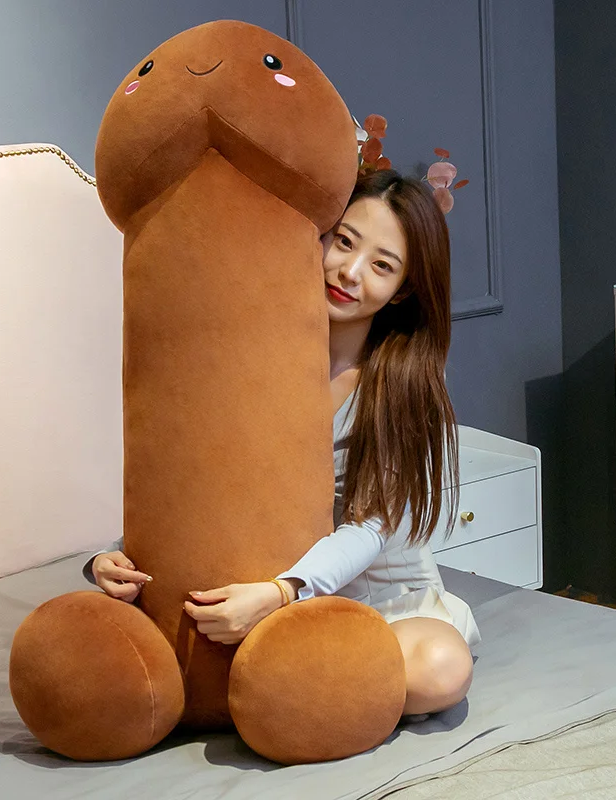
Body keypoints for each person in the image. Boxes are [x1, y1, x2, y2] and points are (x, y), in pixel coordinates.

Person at [84, 169, 480, 717]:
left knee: (440, 669)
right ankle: (292, 691)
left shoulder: (402, 384)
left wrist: (283, 591)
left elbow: (371, 527)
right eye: (344, 241)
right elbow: (202, 479)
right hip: (271, 594)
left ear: (405, 289)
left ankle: (294, 690)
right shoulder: (251, 358)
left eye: (382, 266)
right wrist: (114, 555)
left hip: (378, 603)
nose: (350, 271)